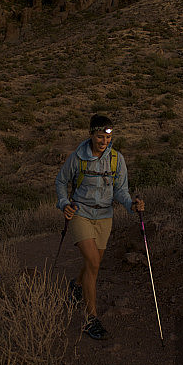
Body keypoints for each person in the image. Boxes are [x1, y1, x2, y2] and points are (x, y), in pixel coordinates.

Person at [55, 114, 145, 339]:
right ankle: (90, 319)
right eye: (99, 137)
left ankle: (76, 286)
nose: (104, 142)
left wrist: (131, 205)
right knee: (93, 262)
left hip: (105, 215)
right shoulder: (77, 157)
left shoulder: (116, 159)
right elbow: (61, 181)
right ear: (91, 135)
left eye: (108, 137)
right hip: (81, 213)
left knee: (92, 263)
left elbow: (121, 190)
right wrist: (64, 203)